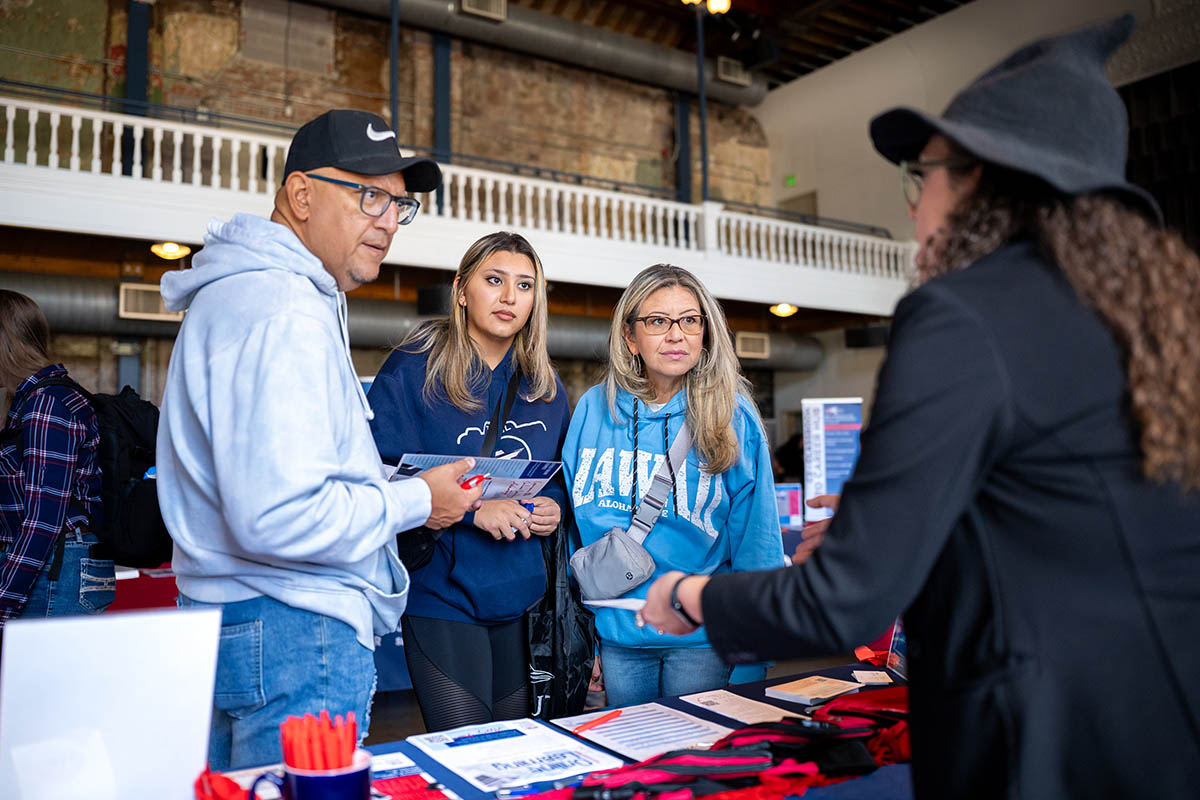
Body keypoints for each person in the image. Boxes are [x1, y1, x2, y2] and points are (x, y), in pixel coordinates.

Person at [641, 16, 1200, 798]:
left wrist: (691, 594)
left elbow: (840, 605)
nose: (914, 204)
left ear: (979, 180)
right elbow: (1068, 525)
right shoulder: (1152, 317)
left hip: (1041, 744)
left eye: (923, 173)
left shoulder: (962, 314)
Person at [156, 109, 483, 770]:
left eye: (399, 204)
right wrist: (420, 501)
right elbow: (279, 515)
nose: (389, 220)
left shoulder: (239, 294)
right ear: (301, 196)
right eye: (369, 196)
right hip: (296, 629)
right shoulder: (286, 311)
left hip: (230, 618)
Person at [368, 231, 569, 732]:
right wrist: (477, 510)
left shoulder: (545, 387)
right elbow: (383, 472)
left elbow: (559, 478)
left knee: (515, 752)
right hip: (440, 590)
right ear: (462, 289)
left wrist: (554, 508)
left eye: (524, 286)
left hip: (520, 596)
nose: (509, 297)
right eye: (494, 280)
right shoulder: (414, 368)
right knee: (465, 746)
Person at [562, 264, 785, 706]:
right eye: (658, 321)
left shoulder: (732, 415)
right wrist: (585, 639)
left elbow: (757, 546)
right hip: (618, 640)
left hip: (701, 640)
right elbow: (573, 535)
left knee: (692, 764)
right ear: (630, 337)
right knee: (633, 769)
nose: (676, 334)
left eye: (690, 320)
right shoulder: (593, 409)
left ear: (705, 332)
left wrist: (750, 657)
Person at [0, 290, 114, 633]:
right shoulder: (31, 401)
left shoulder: (47, 404)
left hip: (57, 570)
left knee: (45, 686)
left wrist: (3, 599)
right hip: (55, 566)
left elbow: (43, 520)